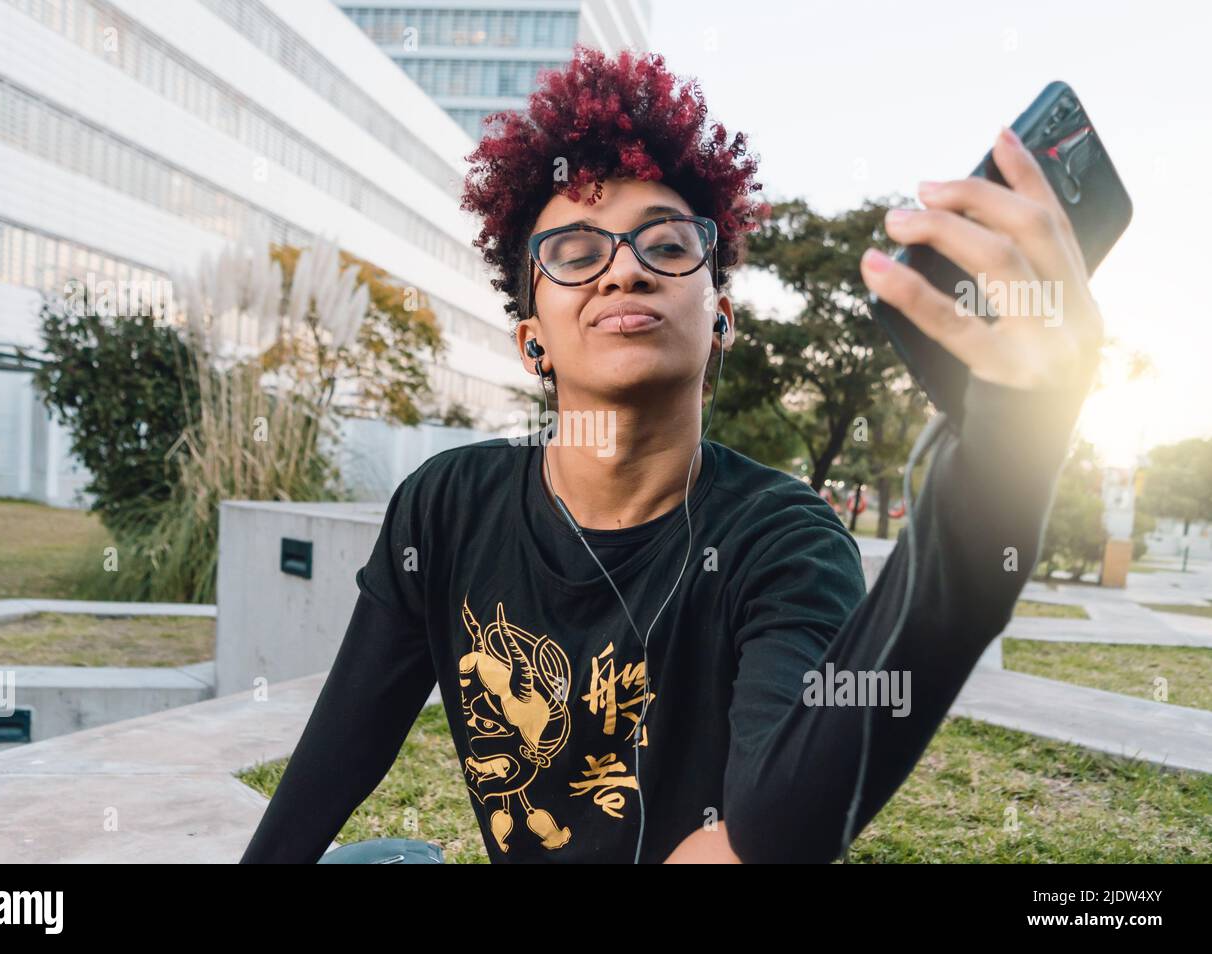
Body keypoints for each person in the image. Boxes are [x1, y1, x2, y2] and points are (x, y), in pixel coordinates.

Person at [240, 46, 1101, 864]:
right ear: (531, 338)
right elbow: (338, 754)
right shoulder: (446, 507)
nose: (623, 271)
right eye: (574, 254)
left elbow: (779, 828)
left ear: (720, 313)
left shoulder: (784, 540)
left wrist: (999, 471)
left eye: (667, 243)